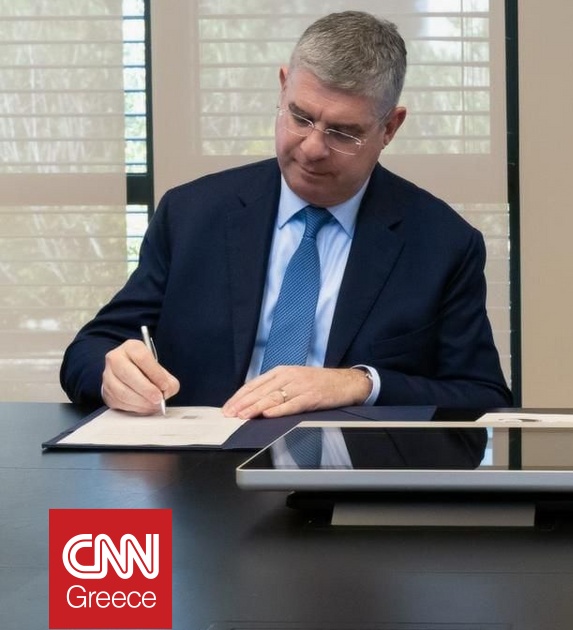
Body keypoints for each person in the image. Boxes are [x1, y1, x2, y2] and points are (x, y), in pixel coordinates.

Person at [60, 11, 512, 418]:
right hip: (199, 470)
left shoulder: (443, 244)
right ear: (283, 86)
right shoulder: (192, 214)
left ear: (390, 127)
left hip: (348, 477)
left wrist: (360, 384)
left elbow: (482, 397)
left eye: (343, 133)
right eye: (300, 117)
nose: (313, 148)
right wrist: (112, 374)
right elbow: (89, 350)